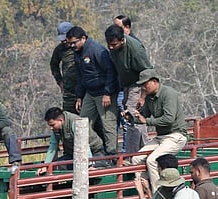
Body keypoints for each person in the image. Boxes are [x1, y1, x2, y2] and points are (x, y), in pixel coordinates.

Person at [130, 69, 188, 192]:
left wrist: (146, 121)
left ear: (154, 81)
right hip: (161, 137)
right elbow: (143, 116)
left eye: (145, 84)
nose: (144, 88)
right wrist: (131, 117)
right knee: (136, 159)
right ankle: (144, 189)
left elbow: (169, 119)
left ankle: (158, 193)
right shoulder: (149, 98)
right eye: (142, 85)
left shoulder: (168, 94)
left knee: (152, 160)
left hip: (176, 135)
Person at [66, 26, 120, 157]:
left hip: (104, 93)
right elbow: (80, 76)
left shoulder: (97, 50)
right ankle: (91, 151)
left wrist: (107, 93)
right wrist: (79, 96)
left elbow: (111, 71)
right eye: (70, 43)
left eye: (74, 42)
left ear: (83, 38)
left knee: (108, 125)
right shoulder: (77, 53)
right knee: (82, 124)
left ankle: (112, 156)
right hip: (90, 93)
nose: (72, 46)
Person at [105, 24, 152, 148]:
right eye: (109, 44)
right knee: (132, 117)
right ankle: (143, 149)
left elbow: (147, 72)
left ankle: (134, 152)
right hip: (125, 85)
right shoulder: (113, 48)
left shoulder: (135, 49)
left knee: (132, 116)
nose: (111, 47)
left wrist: (143, 96)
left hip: (138, 85)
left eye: (114, 44)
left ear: (122, 40)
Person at [38, 107, 107, 174]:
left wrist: (89, 165)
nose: (51, 128)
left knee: (96, 169)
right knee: (55, 167)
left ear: (60, 120)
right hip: (73, 155)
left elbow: (84, 145)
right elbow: (53, 145)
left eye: (53, 125)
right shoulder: (56, 129)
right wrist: (46, 166)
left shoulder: (75, 122)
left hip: (94, 151)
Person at [50, 21, 77, 113]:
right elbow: (54, 65)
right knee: (69, 115)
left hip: (84, 89)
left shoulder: (82, 46)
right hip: (69, 91)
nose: (64, 41)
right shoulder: (60, 49)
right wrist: (60, 81)